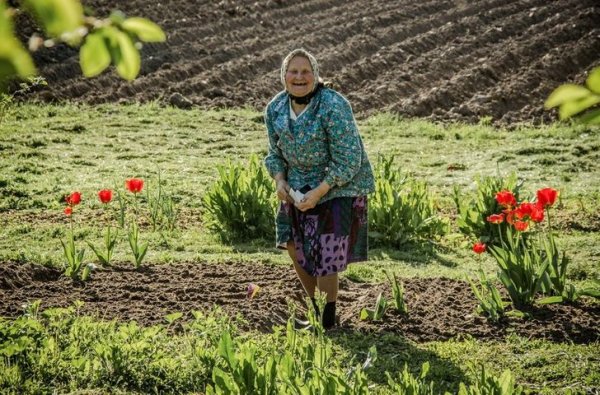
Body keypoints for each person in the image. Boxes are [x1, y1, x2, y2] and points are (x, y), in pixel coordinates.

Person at [264, 48, 375, 329]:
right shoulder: (275, 109)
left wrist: (320, 191)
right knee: (292, 243)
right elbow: (274, 153)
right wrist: (279, 180)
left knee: (326, 251)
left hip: (336, 183)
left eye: (305, 71)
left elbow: (350, 158)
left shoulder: (332, 105)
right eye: (293, 71)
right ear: (284, 76)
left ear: (315, 76)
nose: (299, 77)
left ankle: (327, 320)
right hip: (297, 185)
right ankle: (314, 310)